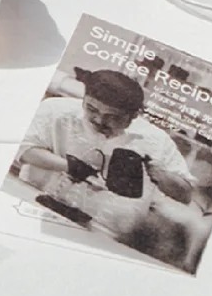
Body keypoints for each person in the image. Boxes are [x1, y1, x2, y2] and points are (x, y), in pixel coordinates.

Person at [17, 69, 193, 206]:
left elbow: (185, 195)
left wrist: (159, 174)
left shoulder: (157, 139)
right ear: (85, 98)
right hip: (33, 198)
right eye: (92, 109)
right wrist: (70, 166)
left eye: (113, 117)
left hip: (105, 229)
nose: (99, 120)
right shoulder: (55, 110)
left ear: (134, 115)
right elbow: (23, 149)